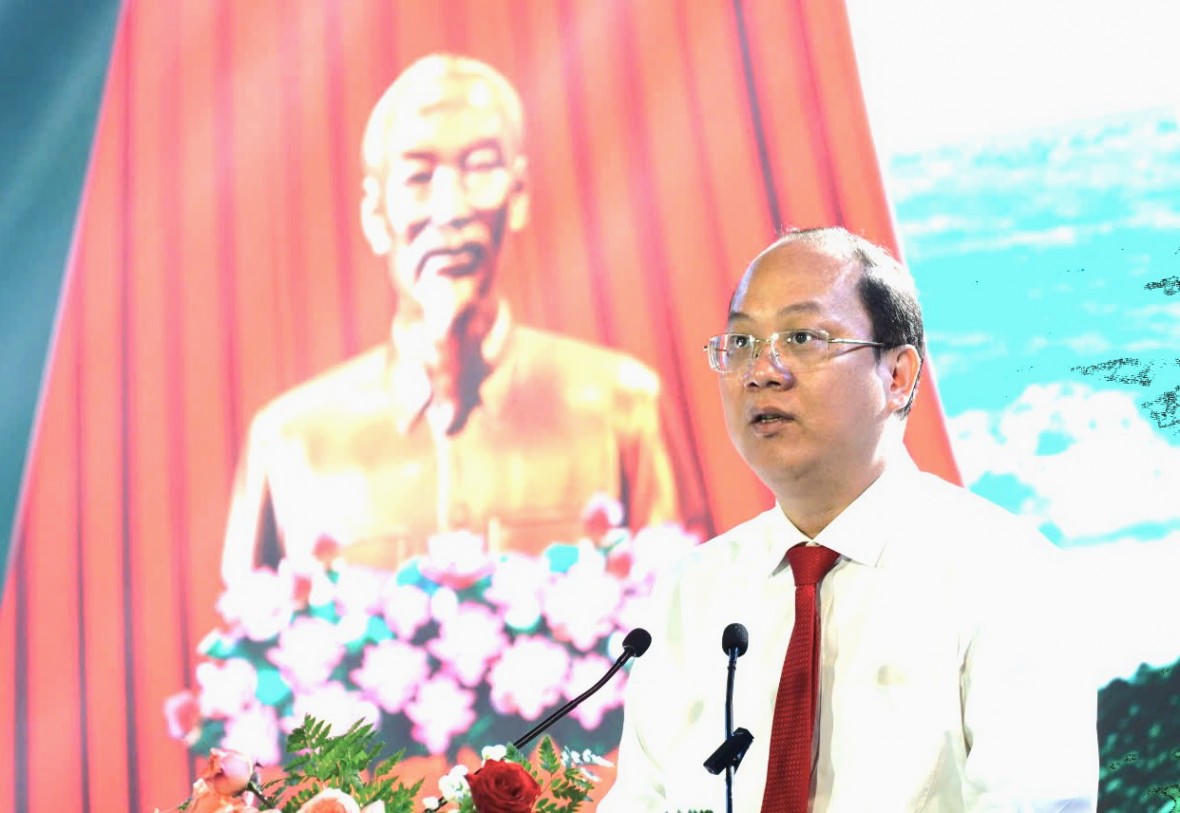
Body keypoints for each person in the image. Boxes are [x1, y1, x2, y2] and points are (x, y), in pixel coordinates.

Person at [600, 227, 1097, 811]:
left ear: (897, 376)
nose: (762, 371)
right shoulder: (692, 589)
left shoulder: (1006, 572)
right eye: (741, 343)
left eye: (802, 338)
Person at [221, 54, 677, 582]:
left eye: (480, 169)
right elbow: (247, 626)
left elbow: (688, 613)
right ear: (374, 215)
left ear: (519, 194)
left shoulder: (621, 409)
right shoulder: (290, 443)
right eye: (418, 176)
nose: (451, 209)